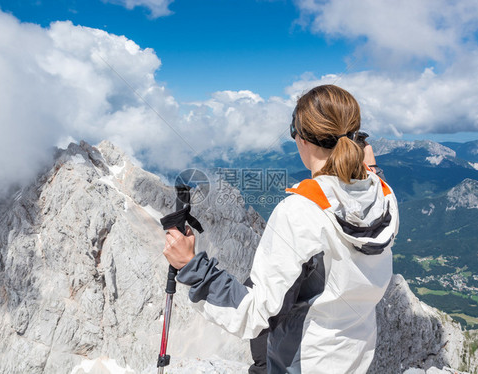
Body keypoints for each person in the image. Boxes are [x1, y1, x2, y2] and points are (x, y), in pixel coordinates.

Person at [164, 84, 399, 373]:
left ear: (302, 139)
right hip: (355, 359)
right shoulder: (383, 196)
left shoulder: (300, 212)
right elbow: (365, 188)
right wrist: (370, 172)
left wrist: (191, 266)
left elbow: (253, 315)